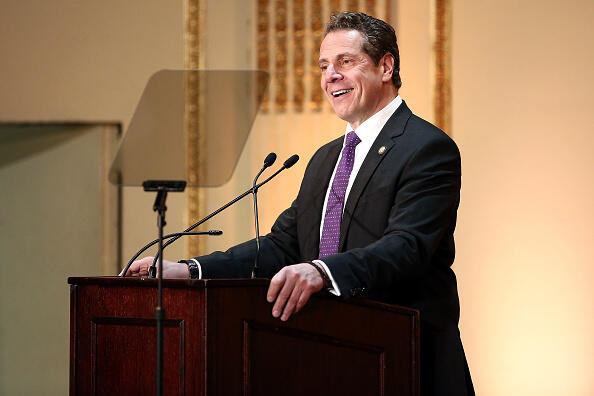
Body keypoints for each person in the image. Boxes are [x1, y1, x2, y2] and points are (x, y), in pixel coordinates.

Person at [124, 11, 474, 395]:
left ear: (386, 66)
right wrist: (190, 270)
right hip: (331, 360)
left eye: (345, 62)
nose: (330, 76)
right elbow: (282, 245)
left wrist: (322, 272)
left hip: (407, 365)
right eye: (324, 66)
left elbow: (407, 247)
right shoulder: (327, 158)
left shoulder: (426, 148)